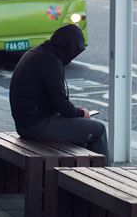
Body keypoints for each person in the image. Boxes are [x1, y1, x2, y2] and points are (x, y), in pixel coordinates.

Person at [9, 25, 109, 164]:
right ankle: (104, 175)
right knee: (98, 130)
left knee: (82, 129)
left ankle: (81, 172)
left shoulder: (40, 52)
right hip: (36, 125)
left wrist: (76, 113)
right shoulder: (51, 62)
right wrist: (81, 113)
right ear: (69, 48)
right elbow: (62, 105)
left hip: (25, 122)